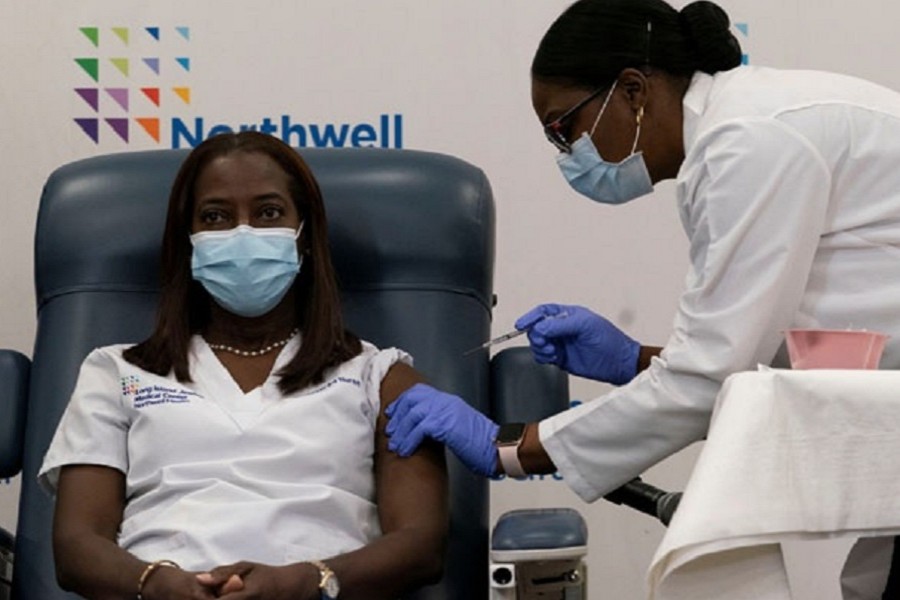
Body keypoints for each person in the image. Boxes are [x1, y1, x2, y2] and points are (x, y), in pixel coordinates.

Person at [385, 0, 900, 596]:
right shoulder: (741, 134)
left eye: (563, 128)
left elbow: (709, 376)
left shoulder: (747, 142)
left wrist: (512, 448)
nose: (566, 154)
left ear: (632, 90)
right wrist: (635, 359)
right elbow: (783, 361)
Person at [38, 131, 448, 600]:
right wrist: (158, 584)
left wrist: (304, 581)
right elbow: (76, 545)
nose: (242, 233)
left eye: (269, 213)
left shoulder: (381, 377)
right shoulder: (116, 372)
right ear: (189, 241)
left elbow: (421, 545)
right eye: (215, 217)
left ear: (304, 236)